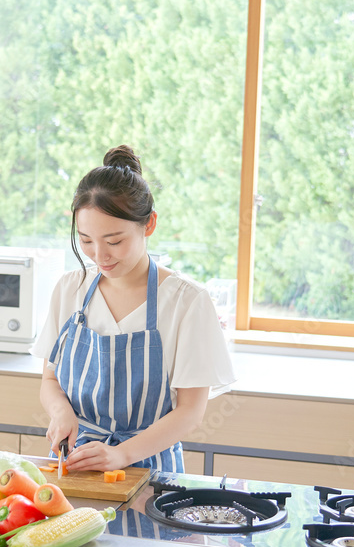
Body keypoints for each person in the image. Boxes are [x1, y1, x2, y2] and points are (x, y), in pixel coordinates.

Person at [31, 144, 235, 473]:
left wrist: (121, 455)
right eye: (86, 240)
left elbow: (190, 412)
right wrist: (61, 413)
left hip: (152, 471)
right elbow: (50, 378)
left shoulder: (186, 301)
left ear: (149, 224)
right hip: (77, 464)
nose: (100, 256)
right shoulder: (71, 289)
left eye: (114, 241)